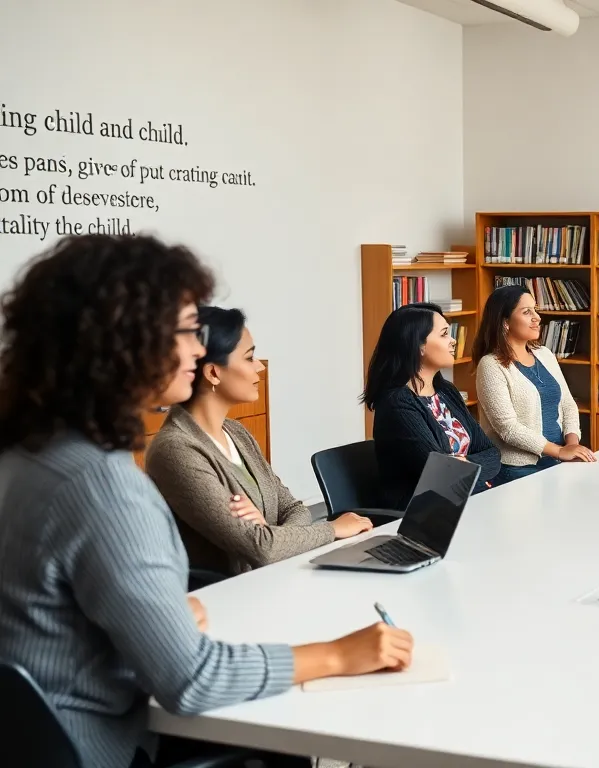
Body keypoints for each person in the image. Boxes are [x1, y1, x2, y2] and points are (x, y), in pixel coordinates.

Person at [0, 234, 414, 768]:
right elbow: (192, 680)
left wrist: (162, 614)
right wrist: (340, 653)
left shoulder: (25, 454)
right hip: (102, 746)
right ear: (125, 341)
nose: (199, 350)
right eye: (186, 332)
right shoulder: (104, 487)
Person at [145, 306, 374, 576]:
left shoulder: (237, 432)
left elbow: (293, 509)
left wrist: (270, 534)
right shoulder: (175, 450)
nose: (259, 367)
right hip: (230, 597)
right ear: (213, 373)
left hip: (273, 578)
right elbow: (261, 549)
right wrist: (333, 528)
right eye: (249, 357)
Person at [365, 302, 500, 506]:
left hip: (464, 501)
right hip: (421, 514)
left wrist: (467, 465)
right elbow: (441, 474)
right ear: (418, 346)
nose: (453, 341)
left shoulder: (446, 391)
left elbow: (491, 453)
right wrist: (476, 473)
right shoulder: (397, 403)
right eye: (445, 334)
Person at [473, 285, 594, 485]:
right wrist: (560, 451)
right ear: (505, 322)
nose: (537, 317)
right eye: (527, 312)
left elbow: (567, 404)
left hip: (558, 461)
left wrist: (572, 446)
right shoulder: (491, 365)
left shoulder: (544, 354)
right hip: (518, 468)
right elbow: (508, 428)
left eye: (535, 309)